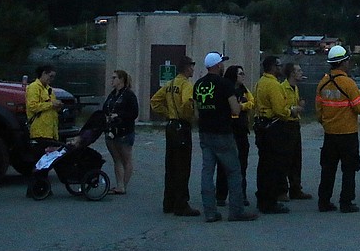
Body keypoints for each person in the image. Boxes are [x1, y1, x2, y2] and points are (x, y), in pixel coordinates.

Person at [194, 52, 257, 222]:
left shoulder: (198, 84)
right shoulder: (225, 84)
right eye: (221, 63)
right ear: (218, 65)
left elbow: (196, 111)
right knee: (234, 171)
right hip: (222, 132)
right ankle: (236, 211)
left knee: (207, 172)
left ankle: (210, 212)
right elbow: (235, 110)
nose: (222, 65)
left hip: (204, 132)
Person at [316, 44, 360, 213]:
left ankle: (324, 202)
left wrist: (326, 122)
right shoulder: (348, 84)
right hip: (347, 134)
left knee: (328, 169)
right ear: (342, 63)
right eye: (347, 60)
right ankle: (346, 202)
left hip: (330, 134)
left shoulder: (322, 83)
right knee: (349, 170)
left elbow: (319, 110)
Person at [149, 55, 200, 217]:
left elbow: (155, 101)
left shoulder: (170, 84)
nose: (193, 68)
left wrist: (169, 113)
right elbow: (187, 102)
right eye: (192, 66)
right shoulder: (186, 84)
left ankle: (168, 202)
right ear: (186, 67)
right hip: (181, 127)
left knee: (170, 166)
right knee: (183, 167)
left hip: (171, 126)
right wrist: (189, 115)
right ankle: (181, 204)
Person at [253, 55, 291, 214]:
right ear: (272, 67)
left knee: (263, 165)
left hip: (261, 126)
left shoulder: (260, 83)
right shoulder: (274, 85)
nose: (281, 68)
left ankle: (262, 198)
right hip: (273, 127)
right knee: (274, 166)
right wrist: (291, 111)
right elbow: (279, 110)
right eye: (278, 65)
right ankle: (270, 201)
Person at [214, 65, 253, 207]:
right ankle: (221, 195)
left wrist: (242, 106)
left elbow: (251, 102)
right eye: (240, 74)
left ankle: (240, 194)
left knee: (242, 164)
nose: (243, 76)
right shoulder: (226, 88)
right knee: (224, 164)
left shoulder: (244, 90)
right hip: (228, 129)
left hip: (241, 130)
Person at [25, 64, 62, 197]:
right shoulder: (34, 88)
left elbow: (50, 108)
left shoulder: (49, 89)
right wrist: (51, 104)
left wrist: (57, 107)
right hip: (39, 130)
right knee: (39, 161)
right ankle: (35, 188)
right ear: (43, 74)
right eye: (50, 76)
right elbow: (32, 106)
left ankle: (42, 187)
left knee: (47, 161)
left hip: (50, 130)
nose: (51, 79)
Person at [102, 69, 138, 195]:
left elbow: (134, 113)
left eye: (114, 78)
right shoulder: (112, 95)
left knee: (126, 158)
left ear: (121, 80)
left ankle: (123, 185)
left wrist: (119, 115)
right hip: (111, 130)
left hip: (124, 131)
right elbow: (105, 107)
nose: (112, 80)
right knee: (116, 158)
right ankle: (119, 185)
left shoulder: (129, 95)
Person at [280, 61, 312, 201]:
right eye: (298, 71)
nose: (301, 73)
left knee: (296, 158)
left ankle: (295, 188)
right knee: (285, 159)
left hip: (295, 124)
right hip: (286, 125)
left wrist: (299, 106)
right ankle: (282, 190)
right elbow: (282, 107)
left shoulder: (295, 88)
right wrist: (295, 109)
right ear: (292, 73)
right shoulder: (282, 88)